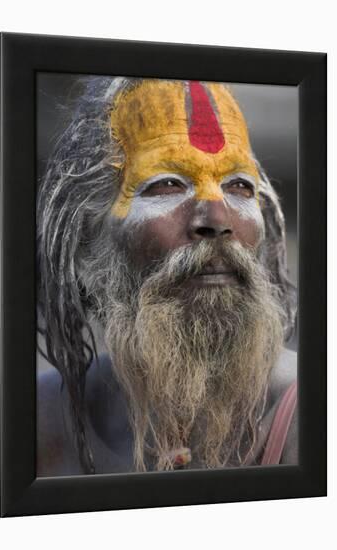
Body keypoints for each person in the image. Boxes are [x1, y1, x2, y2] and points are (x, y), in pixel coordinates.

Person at [36, 77, 298, 476]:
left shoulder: (310, 409)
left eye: (239, 186)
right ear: (91, 247)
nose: (215, 219)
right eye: (167, 184)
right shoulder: (40, 418)